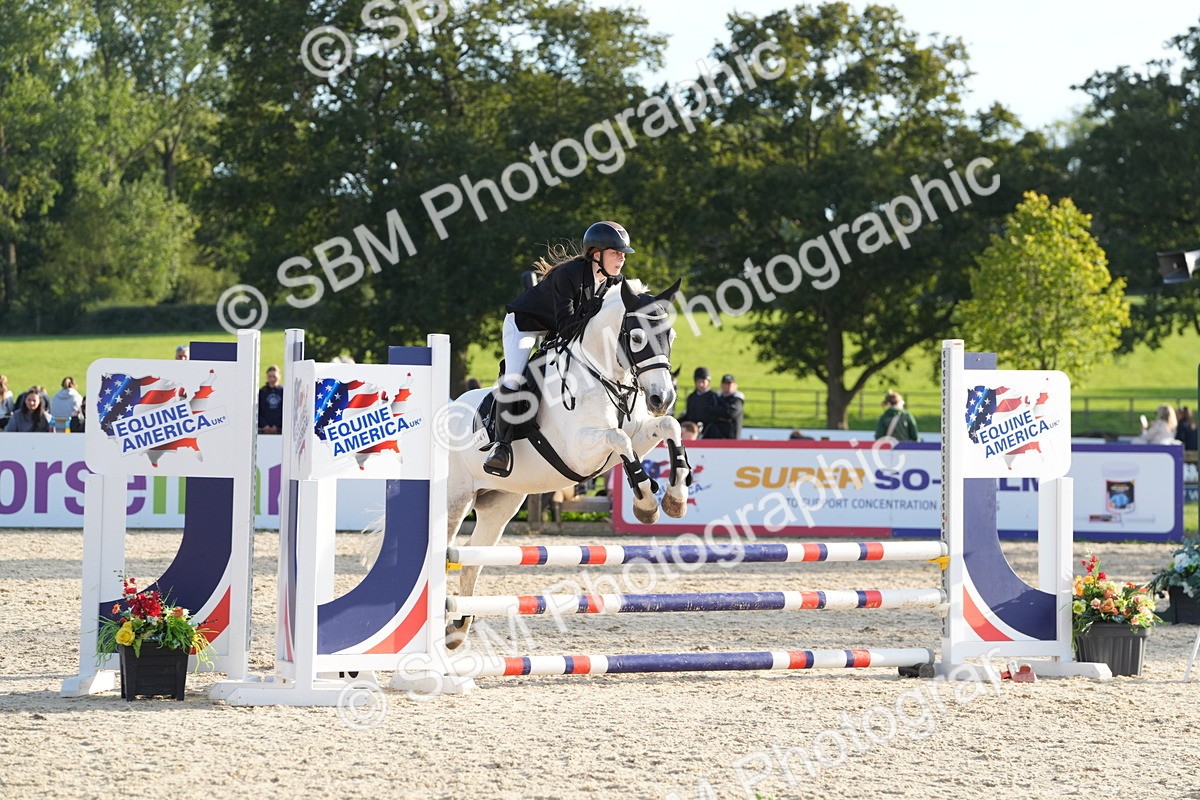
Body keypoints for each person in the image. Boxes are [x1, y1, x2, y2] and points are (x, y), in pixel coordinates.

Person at [482, 220, 635, 478]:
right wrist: (594, 313)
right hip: (525, 324)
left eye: (622, 254)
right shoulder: (570, 275)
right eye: (615, 253)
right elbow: (566, 326)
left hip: (556, 327)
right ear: (596, 254)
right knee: (515, 377)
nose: (621, 259)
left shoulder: (614, 281)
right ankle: (501, 445)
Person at [678, 366, 719, 436]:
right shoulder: (691, 397)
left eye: (703, 381)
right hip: (692, 432)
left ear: (708, 382)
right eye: (698, 381)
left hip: (709, 432)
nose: (701, 384)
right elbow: (688, 415)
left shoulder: (714, 396)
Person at [705, 374, 745, 439]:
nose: (726, 386)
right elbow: (708, 413)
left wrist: (716, 412)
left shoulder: (737, 400)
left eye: (729, 384)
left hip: (731, 439)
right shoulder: (715, 397)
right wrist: (722, 412)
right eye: (724, 383)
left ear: (735, 386)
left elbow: (731, 413)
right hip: (715, 437)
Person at [258, 365, 284, 434]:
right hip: (263, 429)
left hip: (280, 430)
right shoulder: (262, 392)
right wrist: (264, 425)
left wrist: (277, 425)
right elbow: (258, 410)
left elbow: (285, 410)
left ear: (279, 376)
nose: (272, 379)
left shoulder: (283, 391)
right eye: (270, 377)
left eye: (274, 377)